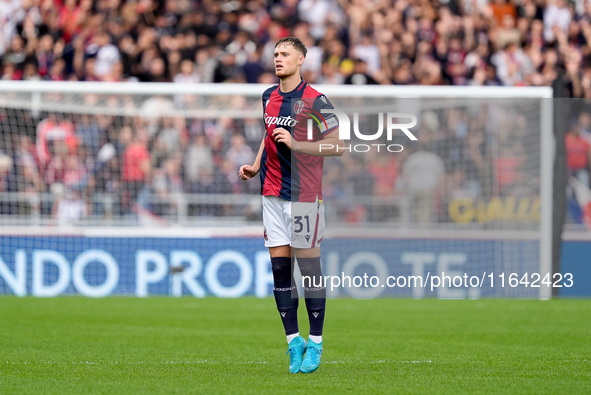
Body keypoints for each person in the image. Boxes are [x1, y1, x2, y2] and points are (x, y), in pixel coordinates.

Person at [239, 37, 343, 374]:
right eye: (275, 54)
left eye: (284, 54)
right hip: (270, 193)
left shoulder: (316, 100)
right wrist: (255, 165)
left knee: (309, 271)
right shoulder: (268, 96)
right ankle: (292, 341)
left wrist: (299, 145)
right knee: (280, 271)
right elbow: (267, 135)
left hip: (303, 198)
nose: (278, 58)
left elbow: (338, 146)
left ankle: (316, 343)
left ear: (300, 60)